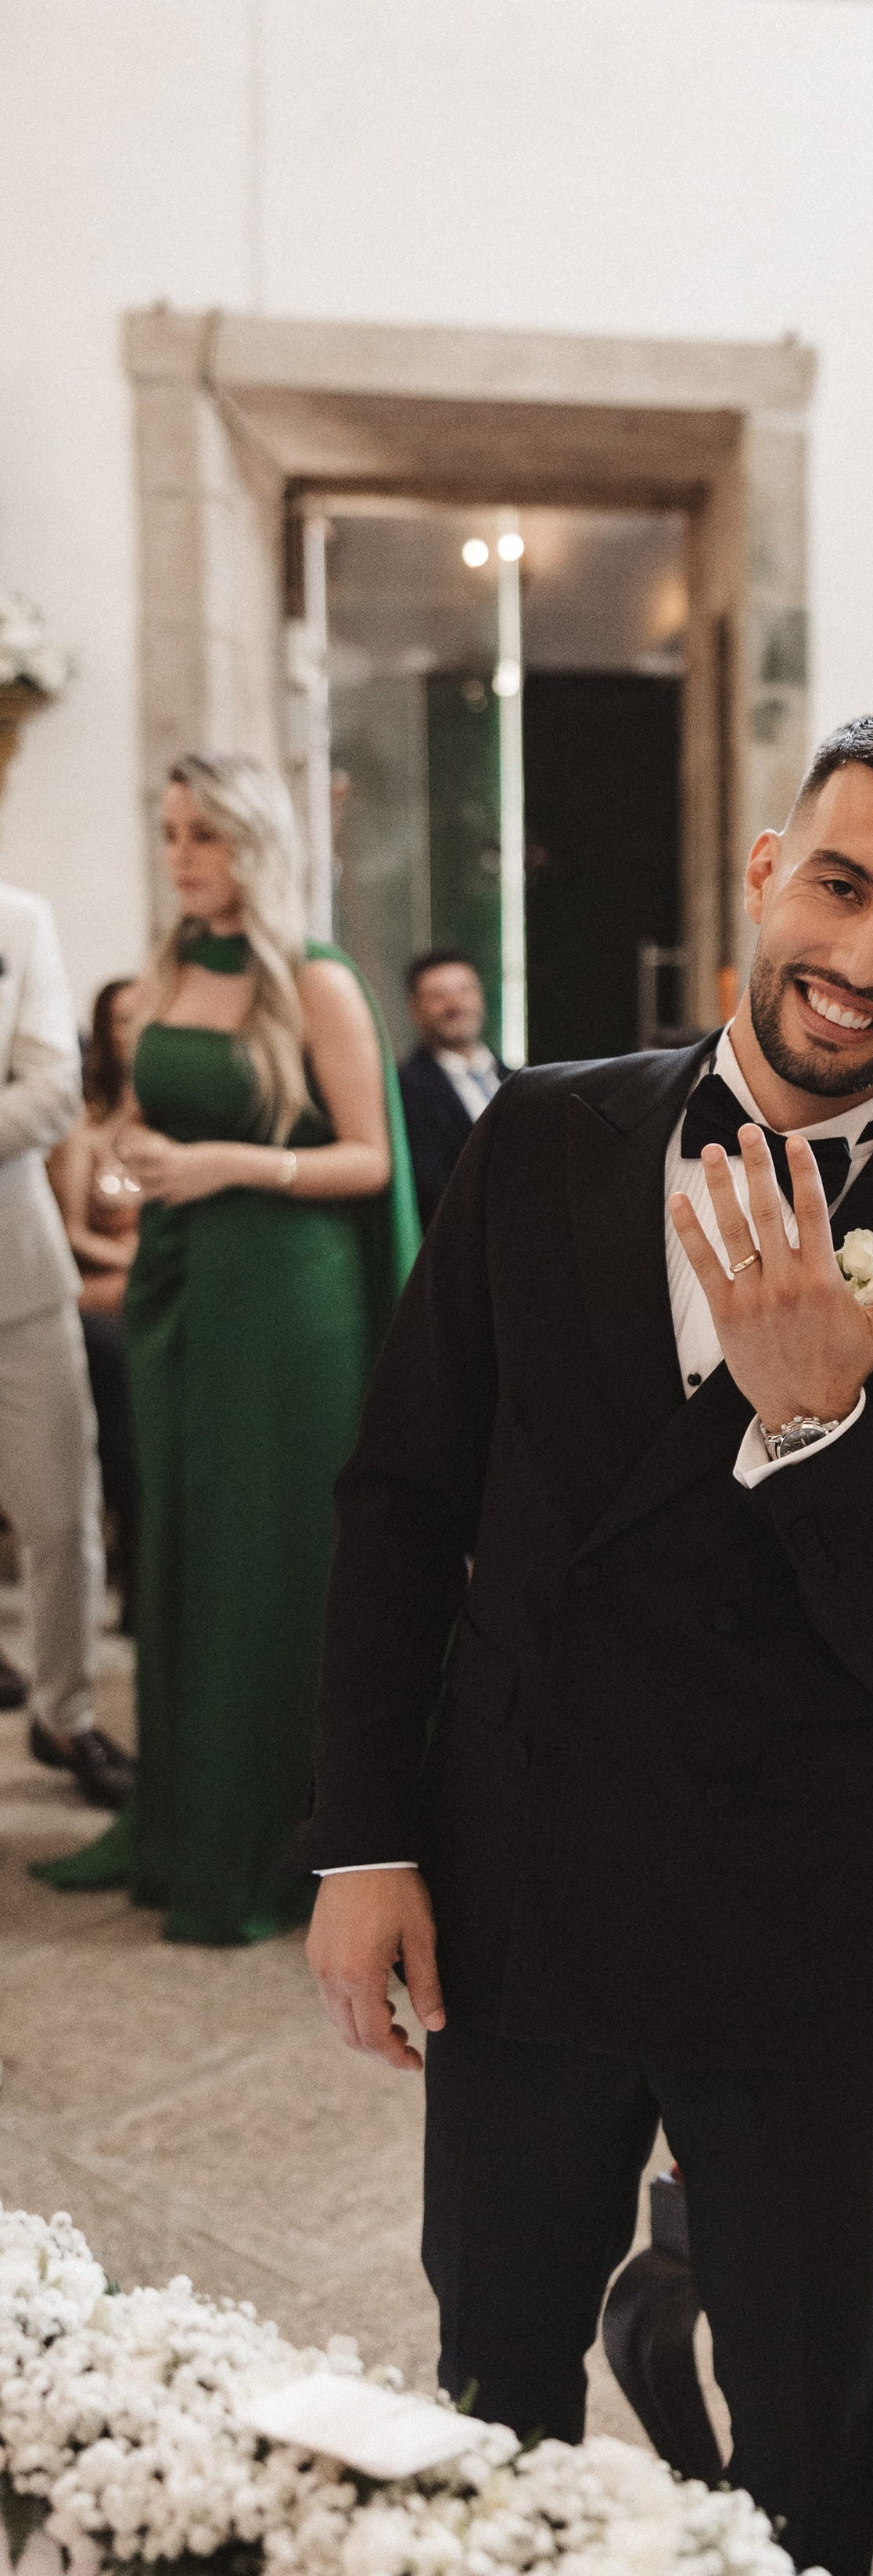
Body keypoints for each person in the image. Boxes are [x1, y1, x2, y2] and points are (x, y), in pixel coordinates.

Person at [298, 708, 873, 2576]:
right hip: (514, 1875)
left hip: (790, 1923)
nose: (866, 962)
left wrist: (811, 1426)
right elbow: (396, 1504)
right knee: (493, 2371)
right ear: (766, 868)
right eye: (842, 884)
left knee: (800, 2438)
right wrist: (365, 1843)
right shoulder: (545, 1129)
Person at [35, 753, 419, 1941]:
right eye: (168, 834)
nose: (182, 856)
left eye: (203, 834)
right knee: (184, 1546)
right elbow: (161, 1117)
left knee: (269, 1560)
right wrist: (147, 1165)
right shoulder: (164, 971)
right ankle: (182, 1816)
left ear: (253, 841)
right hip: (180, 1284)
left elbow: (370, 1160)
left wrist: (227, 1167)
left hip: (290, 1304)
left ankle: (277, 1839)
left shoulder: (316, 981)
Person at [0, 886, 125, 1808]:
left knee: (60, 1511)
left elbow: (50, 1096)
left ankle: (66, 1713)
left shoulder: (21, 921)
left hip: (19, 1272)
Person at [48, 978, 144, 1628]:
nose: (137, 1030)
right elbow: (70, 1231)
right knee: (121, 1376)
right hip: (105, 1287)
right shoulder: (81, 1128)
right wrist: (138, 1261)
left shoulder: (185, 1119)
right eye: (123, 1020)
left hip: (171, 1286)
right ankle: (136, 1576)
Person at [399, 947, 511, 1228]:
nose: (455, 1005)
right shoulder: (404, 1088)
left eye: (465, 990)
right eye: (439, 996)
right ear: (415, 1010)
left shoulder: (519, 1078)